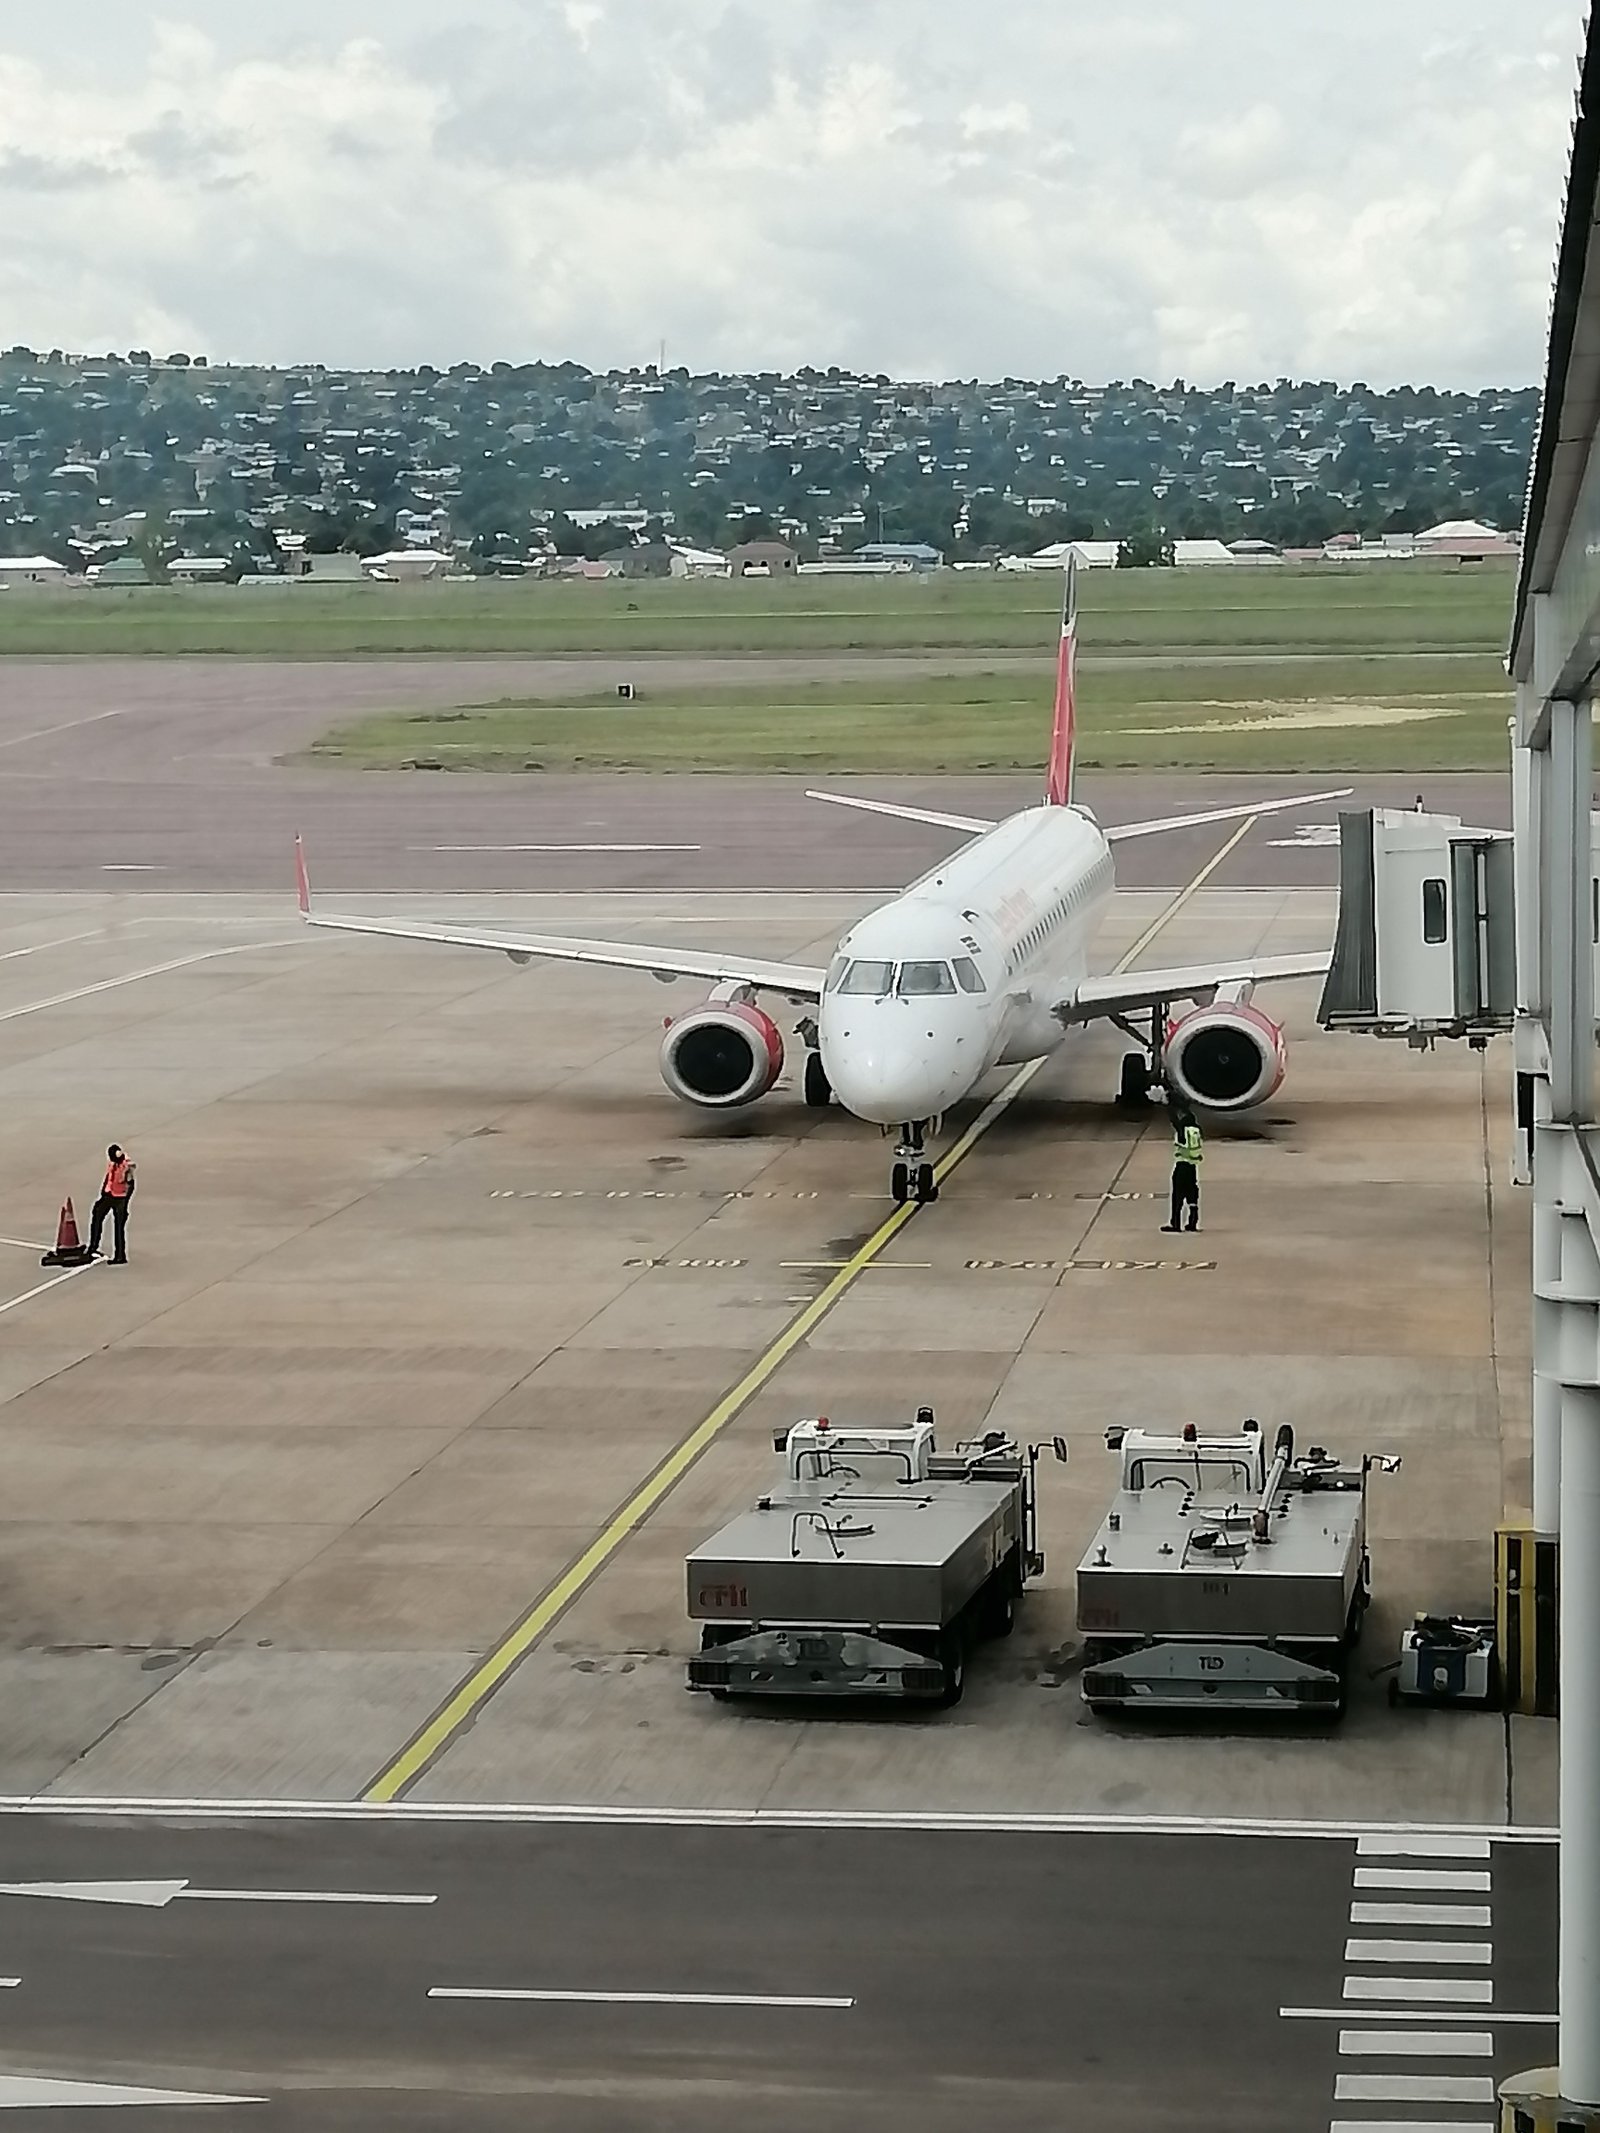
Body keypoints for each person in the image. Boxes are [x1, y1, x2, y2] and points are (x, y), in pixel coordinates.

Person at [87, 1144, 135, 1265]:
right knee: (97, 1214)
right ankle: (93, 1247)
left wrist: (125, 1202)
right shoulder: (113, 1163)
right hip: (109, 1195)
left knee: (119, 1226)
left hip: (120, 1198)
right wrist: (103, 1192)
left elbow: (131, 1185)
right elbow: (108, 1177)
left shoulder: (126, 1167)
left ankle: (120, 1255)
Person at [1161, 1105, 1202, 1234]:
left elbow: (1175, 1122)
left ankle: (1176, 1223)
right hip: (1193, 1167)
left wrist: (1167, 1106)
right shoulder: (1196, 1132)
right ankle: (1192, 1222)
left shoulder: (1183, 1132)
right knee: (1192, 1196)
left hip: (1182, 1166)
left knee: (1177, 1196)